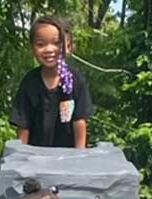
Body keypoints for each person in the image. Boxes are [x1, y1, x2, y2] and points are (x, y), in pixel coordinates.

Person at [10, 16, 94, 148]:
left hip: (68, 159)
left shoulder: (76, 80)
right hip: (35, 159)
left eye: (56, 43)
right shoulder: (29, 83)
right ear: (32, 48)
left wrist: (80, 157)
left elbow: (80, 121)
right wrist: (21, 158)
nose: (49, 49)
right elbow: (23, 126)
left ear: (69, 47)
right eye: (41, 44)